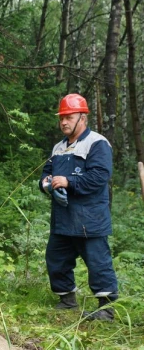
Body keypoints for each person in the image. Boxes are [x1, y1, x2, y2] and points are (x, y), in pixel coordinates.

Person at [39, 93, 118, 321]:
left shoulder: (97, 143)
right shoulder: (58, 148)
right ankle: (67, 299)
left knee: (98, 262)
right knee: (56, 258)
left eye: (69, 117)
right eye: (61, 117)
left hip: (90, 218)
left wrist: (68, 182)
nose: (63, 122)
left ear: (82, 117)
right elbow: (45, 176)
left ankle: (106, 309)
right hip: (63, 217)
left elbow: (99, 177)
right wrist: (48, 186)